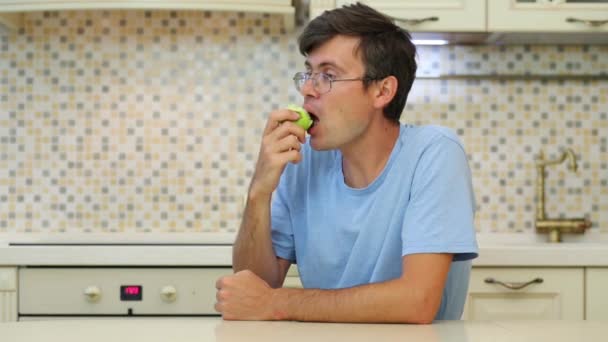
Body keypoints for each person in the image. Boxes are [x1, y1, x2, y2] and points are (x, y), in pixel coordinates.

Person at [215, 2, 478, 324]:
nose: (307, 90)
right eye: (308, 73)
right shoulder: (303, 160)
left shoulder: (434, 152)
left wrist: (276, 303)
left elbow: (417, 301)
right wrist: (259, 191)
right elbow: (253, 288)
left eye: (328, 75)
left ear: (382, 91)